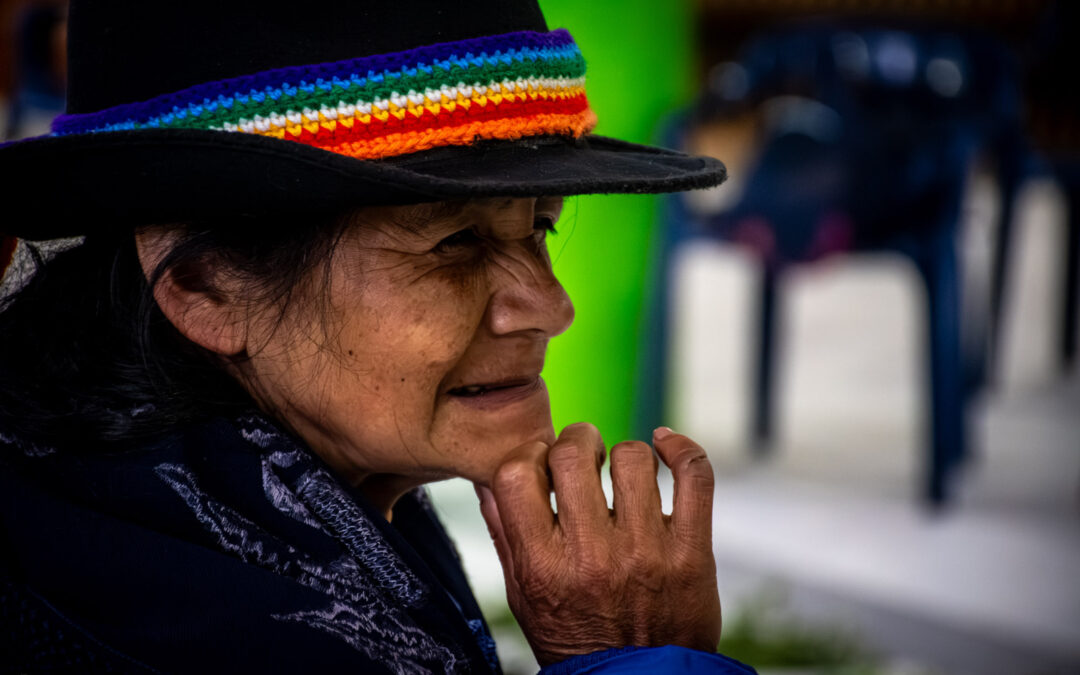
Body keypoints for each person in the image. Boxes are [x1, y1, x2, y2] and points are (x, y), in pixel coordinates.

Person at [0, 1, 753, 673]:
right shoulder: (192, 634)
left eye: (541, 228)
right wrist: (632, 657)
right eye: (455, 243)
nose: (550, 307)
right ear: (207, 290)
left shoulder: (271, 513)